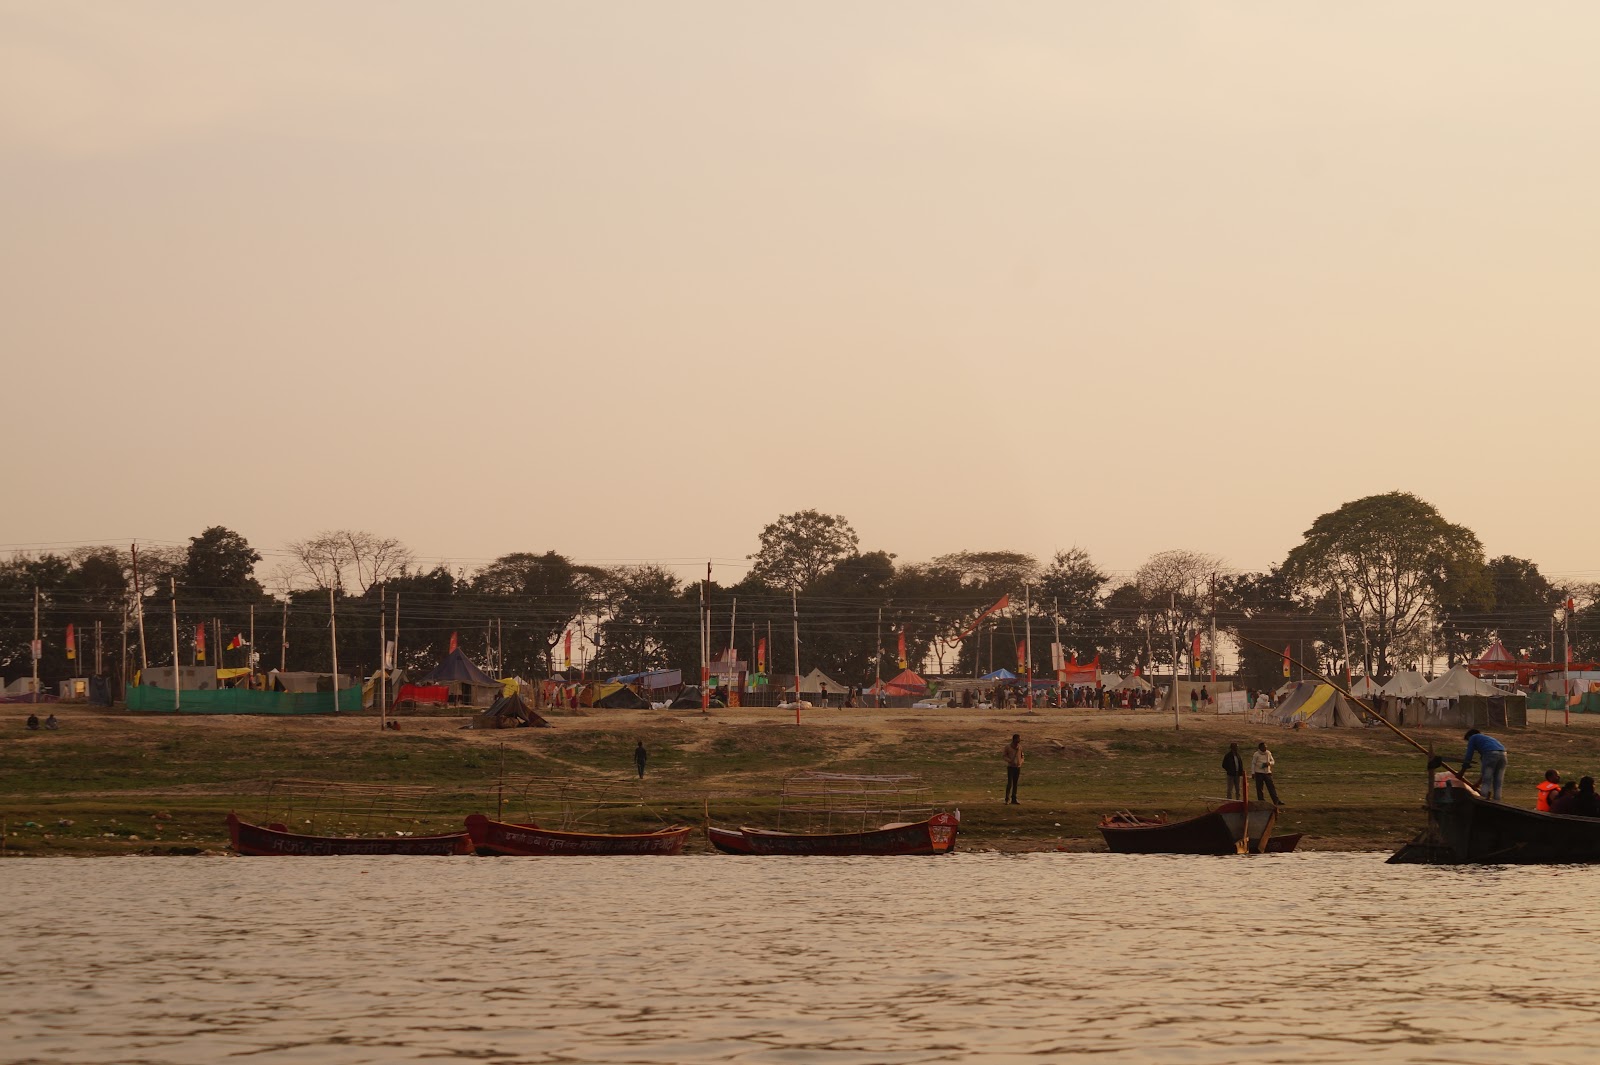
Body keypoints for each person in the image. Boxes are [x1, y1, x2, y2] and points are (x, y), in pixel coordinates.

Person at [1461, 729, 1508, 801]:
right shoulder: (1487, 740)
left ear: (1469, 736)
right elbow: (1485, 773)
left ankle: (1483, 800)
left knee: (1486, 781)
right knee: (1498, 781)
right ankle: (1497, 801)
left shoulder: (1473, 737)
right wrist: (1477, 784)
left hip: (1490, 754)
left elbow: (1469, 756)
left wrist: (1462, 772)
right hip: (1503, 755)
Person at [1003, 734, 1024, 804]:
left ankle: (1014, 799)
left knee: (1015, 783)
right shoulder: (1008, 747)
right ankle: (1007, 799)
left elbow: (1022, 756)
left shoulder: (1020, 747)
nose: (1019, 740)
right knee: (1009, 783)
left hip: (1017, 767)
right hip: (1011, 767)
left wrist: (1020, 763)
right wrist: (1010, 761)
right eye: (1018, 739)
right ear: (1014, 739)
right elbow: (1004, 756)